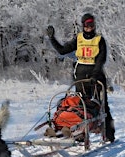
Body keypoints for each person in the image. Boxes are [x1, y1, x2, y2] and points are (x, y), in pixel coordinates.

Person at [46, 13, 115, 143]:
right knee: (80, 104)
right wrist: (52, 38)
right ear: (83, 25)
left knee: (102, 106)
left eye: (92, 24)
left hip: (97, 75)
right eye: (87, 25)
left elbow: (101, 59)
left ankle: (109, 134)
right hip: (81, 75)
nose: (89, 27)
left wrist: (95, 75)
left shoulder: (99, 40)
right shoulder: (78, 39)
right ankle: (80, 132)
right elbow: (62, 50)